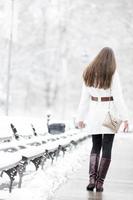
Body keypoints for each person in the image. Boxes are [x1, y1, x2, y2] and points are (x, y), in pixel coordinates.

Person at [76, 47, 129, 192]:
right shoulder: (113, 75)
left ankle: (91, 180)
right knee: (107, 147)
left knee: (95, 146)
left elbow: (84, 99)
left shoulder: (89, 72)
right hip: (110, 113)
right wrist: (126, 118)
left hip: (94, 112)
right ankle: (100, 183)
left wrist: (80, 117)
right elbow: (118, 99)